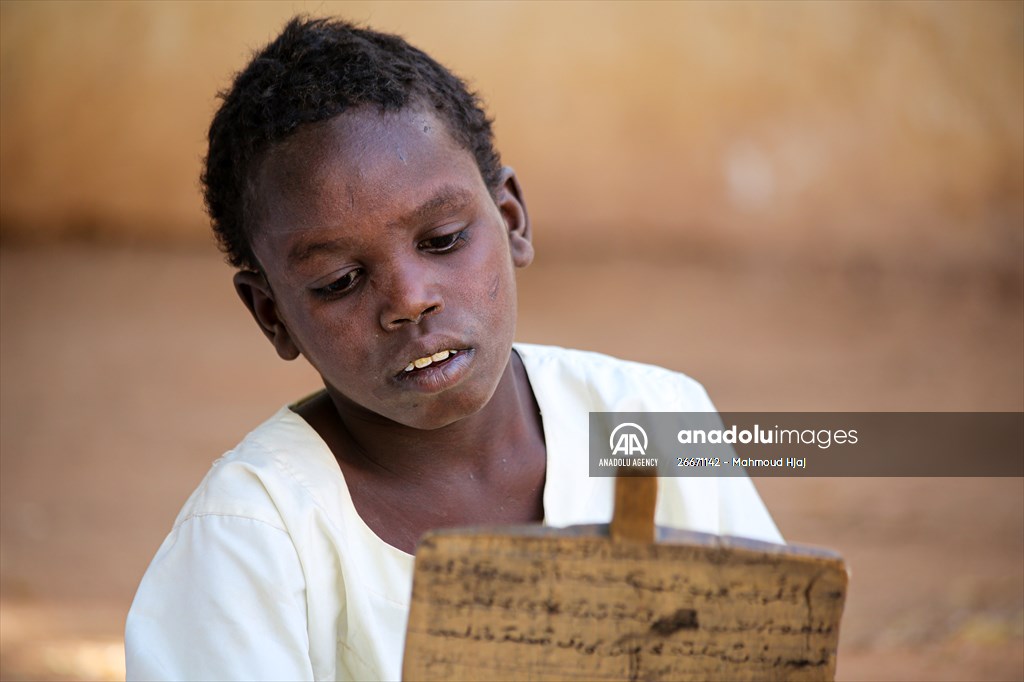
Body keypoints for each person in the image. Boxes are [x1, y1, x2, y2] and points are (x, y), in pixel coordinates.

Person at [125, 16, 782, 681]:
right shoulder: (255, 534)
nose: (410, 299)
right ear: (274, 317)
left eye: (441, 240)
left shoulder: (657, 418)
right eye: (339, 281)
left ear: (512, 220)